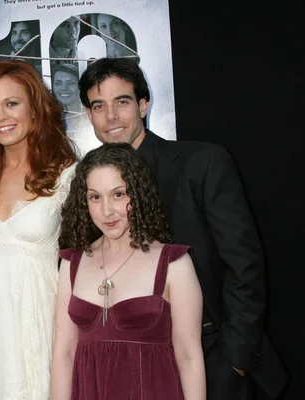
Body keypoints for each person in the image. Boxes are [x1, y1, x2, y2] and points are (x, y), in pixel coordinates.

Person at [78, 58, 288, 400]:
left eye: (123, 101)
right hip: (130, 365)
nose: (111, 116)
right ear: (89, 116)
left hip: (210, 356)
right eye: (99, 106)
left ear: (144, 105)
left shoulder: (202, 163)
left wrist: (234, 359)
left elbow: (244, 263)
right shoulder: (88, 186)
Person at [52, 143, 205, 399]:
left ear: (138, 194)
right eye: (95, 197)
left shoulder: (173, 263)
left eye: (119, 194)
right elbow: (64, 352)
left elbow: (189, 356)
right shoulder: (71, 263)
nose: (107, 210)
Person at [0, 60, 77, 399]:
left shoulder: (67, 173)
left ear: (34, 108)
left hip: (43, 313)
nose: (1, 117)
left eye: (12, 103)